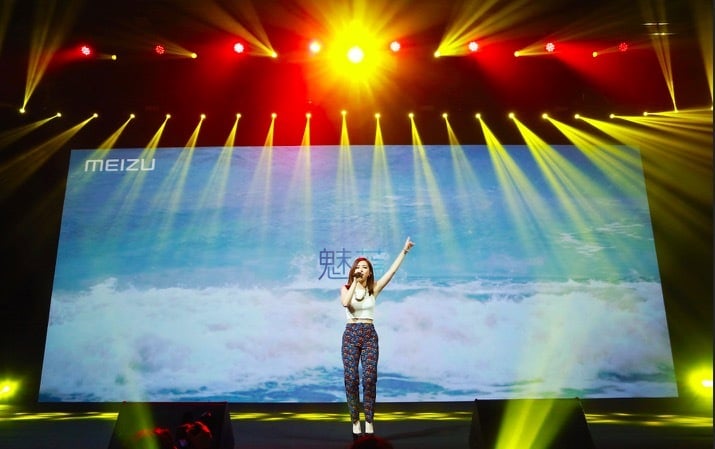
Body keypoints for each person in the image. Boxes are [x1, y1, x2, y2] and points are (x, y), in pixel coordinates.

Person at [341, 236, 415, 439]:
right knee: (351, 379)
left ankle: (369, 420)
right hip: (351, 334)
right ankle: (355, 421)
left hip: (369, 335)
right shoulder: (346, 288)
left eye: (364, 267)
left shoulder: (373, 289)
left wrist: (404, 251)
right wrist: (354, 282)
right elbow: (345, 303)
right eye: (358, 267)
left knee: (370, 378)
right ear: (354, 271)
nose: (361, 269)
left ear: (370, 272)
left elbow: (391, 272)